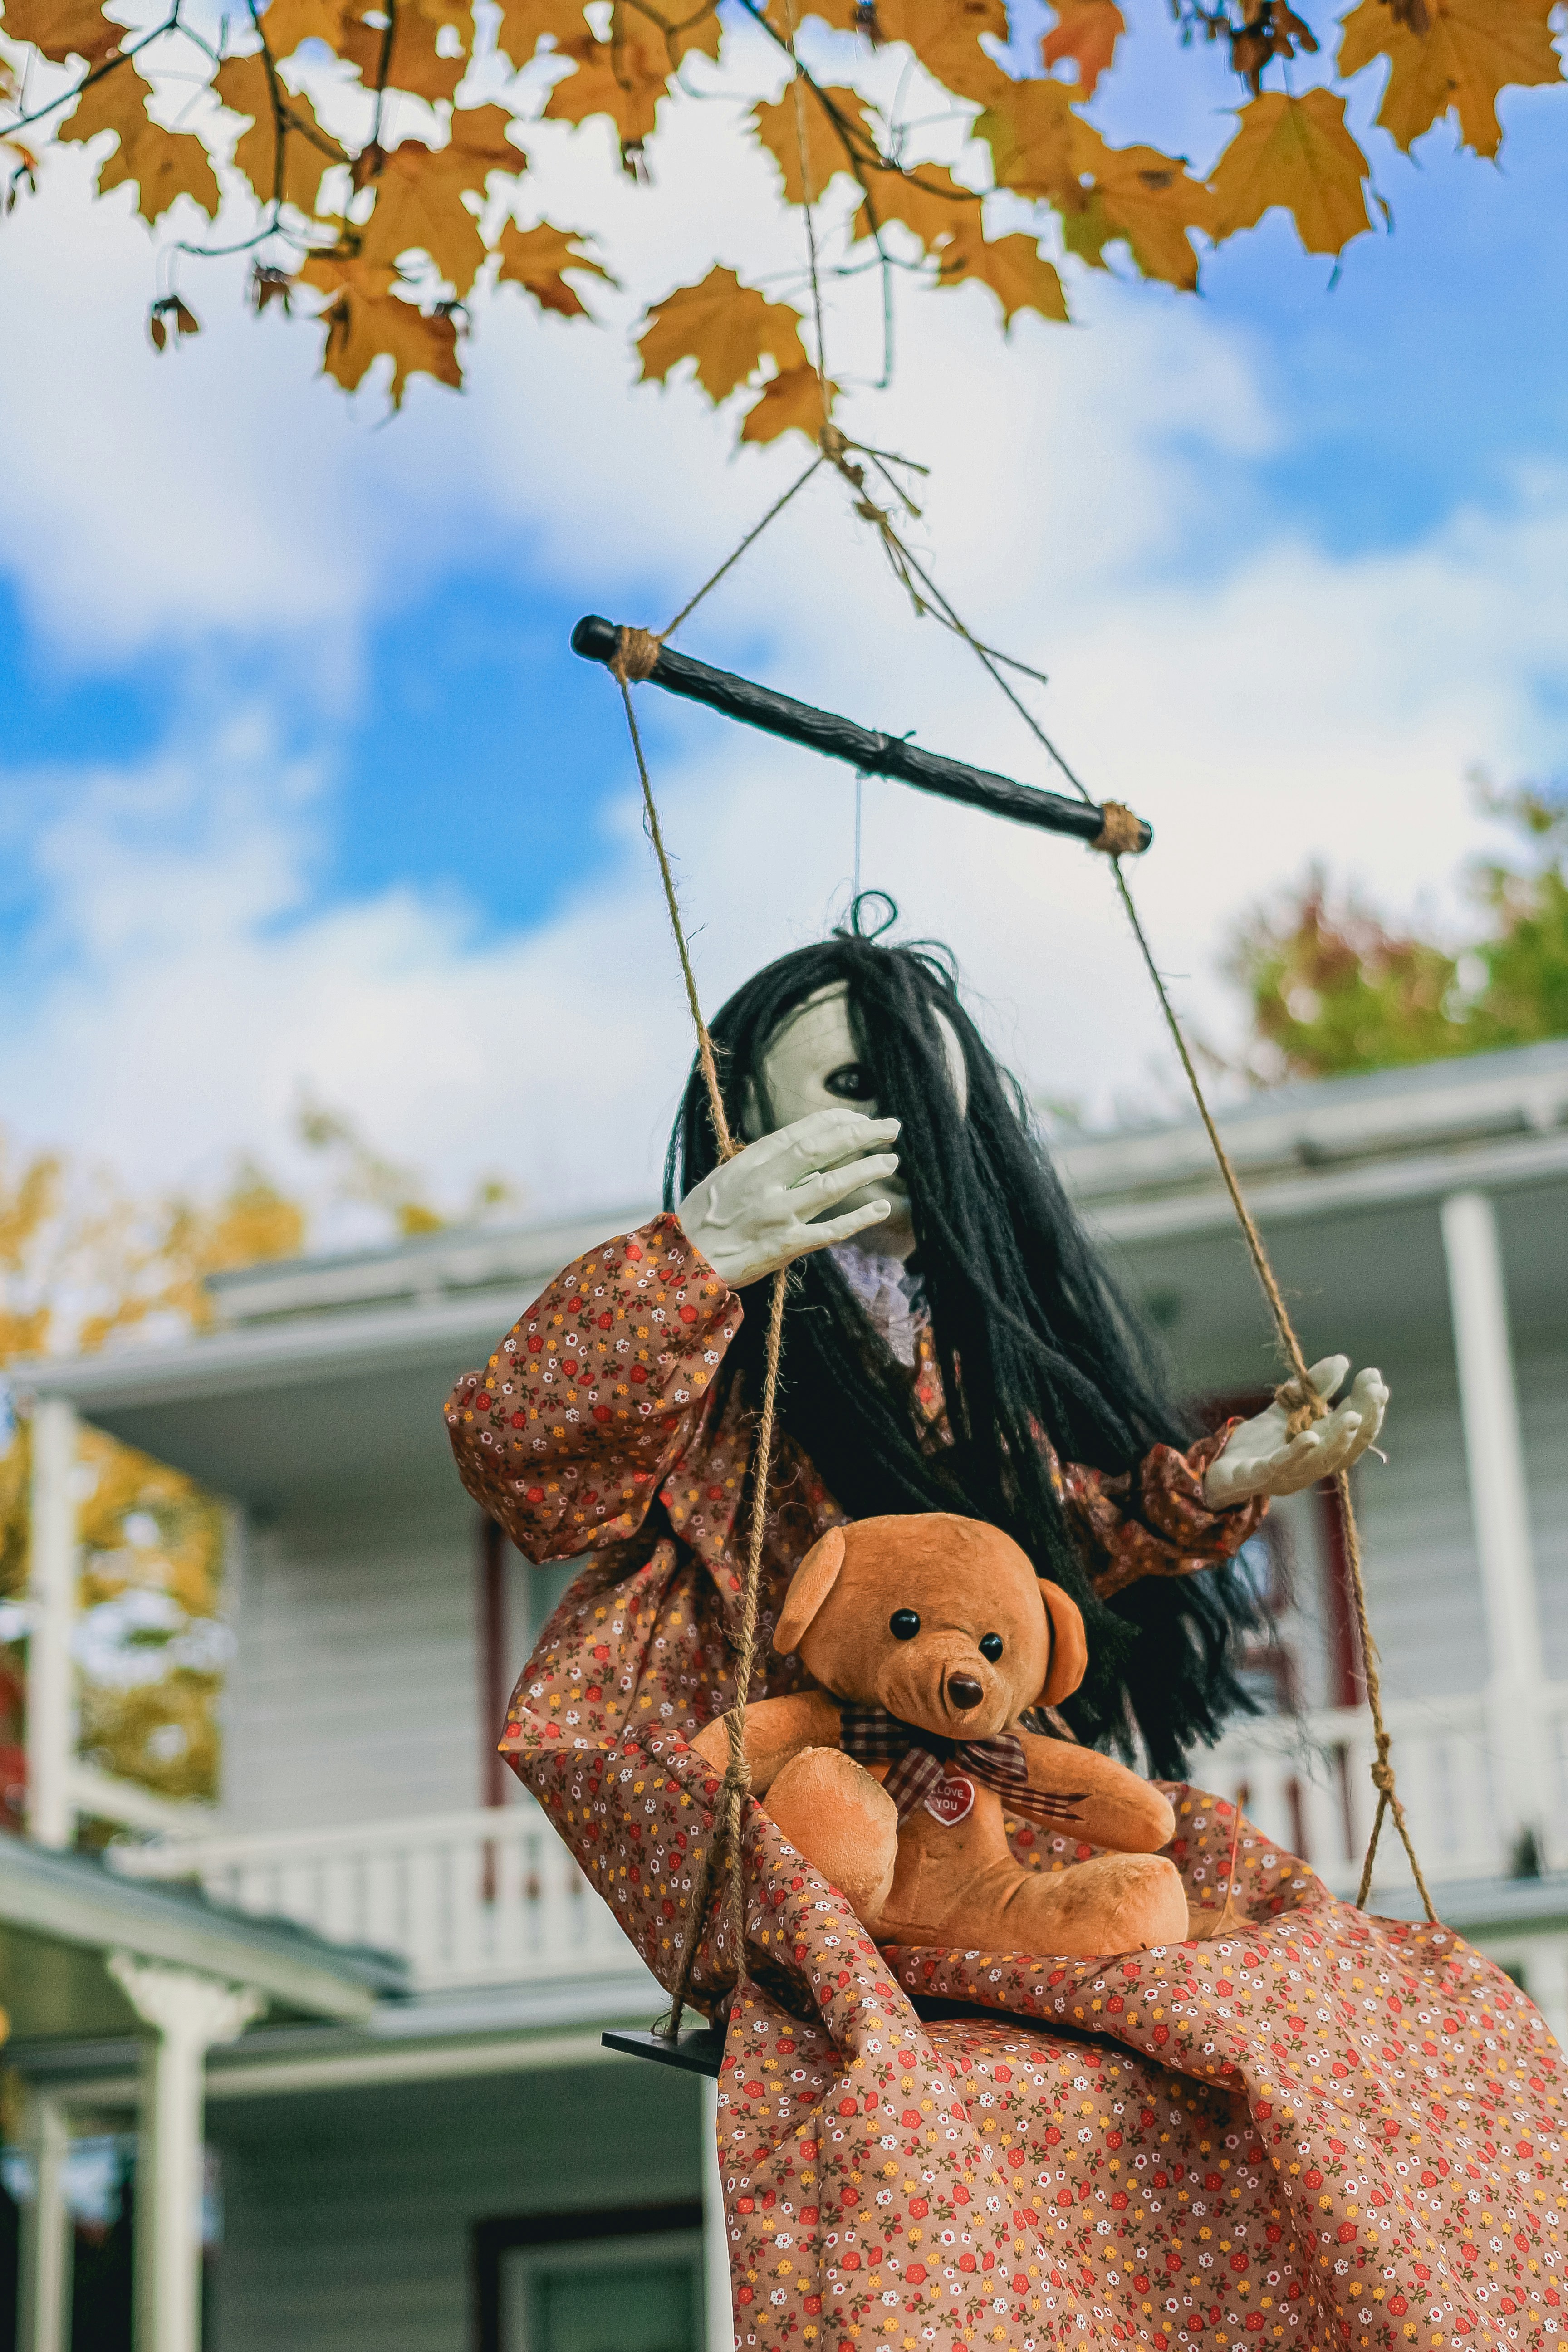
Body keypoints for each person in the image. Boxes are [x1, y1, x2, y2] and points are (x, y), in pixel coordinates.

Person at [447, 911, 1387, 1783]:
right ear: (744, 1104)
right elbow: (523, 1455)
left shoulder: (965, 1358)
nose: (902, 1124)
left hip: (967, 1775)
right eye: (855, 1085)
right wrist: (687, 1267)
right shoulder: (708, 1349)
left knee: (1229, 1897)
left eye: (928, 1094)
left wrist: (1210, 1485)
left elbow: (1034, 1544)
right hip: (776, 1784)